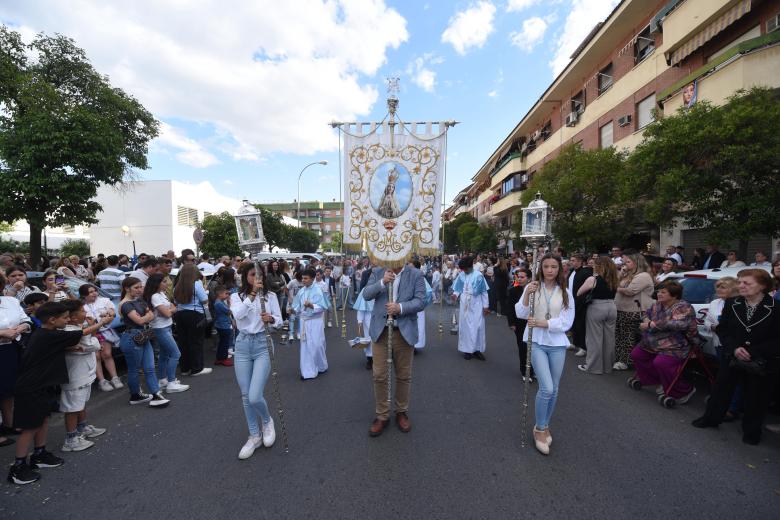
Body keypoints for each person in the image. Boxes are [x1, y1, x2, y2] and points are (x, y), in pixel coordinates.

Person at [692, 269, 780, 445]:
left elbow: (777, 338)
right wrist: (734, 348)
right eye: (740, 282)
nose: (741, 286)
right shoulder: (733, 303)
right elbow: (723, 329)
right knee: (721, 390)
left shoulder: (776, 308)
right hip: (732, 356)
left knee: (756, 397)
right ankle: (711, 418)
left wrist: (753, 351)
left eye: (747, 283)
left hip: (761, 360)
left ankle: (752, 431)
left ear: (762, 286)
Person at [6, 303, 78, 485]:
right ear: (52, 320)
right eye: (65, 317)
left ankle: (39, 453)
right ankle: (18, 467)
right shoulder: (47, 335)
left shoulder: (46, 334)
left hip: (43, 384)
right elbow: (80, 334)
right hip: (31, 387)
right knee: (30, 427)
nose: (68, 320)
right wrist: (102, 321)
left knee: (43, 419)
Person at [515, 253, 575, 455]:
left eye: (554, 267)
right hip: (536, 341)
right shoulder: (532, 287)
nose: (550, 270)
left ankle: (545, 425)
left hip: (557, 343)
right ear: (541, 268)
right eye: (546, 266)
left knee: (555, 389)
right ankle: (539, 429)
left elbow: (567, 321)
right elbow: (521, 314)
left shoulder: (565, 292)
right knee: (547, 388)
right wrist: (526, 294)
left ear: (560, 269)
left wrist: (543, 323)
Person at [362, 260, 426, 437]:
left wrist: (400, 307)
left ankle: (401, 411)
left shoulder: (415, 274)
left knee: (404, 375)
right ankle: (382, 415)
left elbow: (421, 301)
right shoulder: (377, 272)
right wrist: (382, 282)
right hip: (380, 332)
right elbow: (366, 294)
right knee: (379, 375)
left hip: (404, 331)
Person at [229, 263, 282, 459]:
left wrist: (271, 319)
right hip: (243, 344)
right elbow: (237, 315)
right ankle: (254, 435)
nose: (257, 278)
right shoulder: (237, 296)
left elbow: (280, 320)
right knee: (245, 395)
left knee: (254, 395)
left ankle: (267, 421)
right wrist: (252, 294)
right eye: (253, 274)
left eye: (260, 275)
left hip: (262, 344)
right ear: (245, 276)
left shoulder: (271, 296)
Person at [628, 281, 698, 404]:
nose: (659, 294)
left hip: (676, 345)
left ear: (674, 295)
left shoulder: (683, 307)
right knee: (637, 354)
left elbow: (678, 324)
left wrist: (651, 324)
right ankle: (659, 380)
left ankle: (683, 390)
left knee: (661, 363)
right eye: (659, 291)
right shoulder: (657, 304)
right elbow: (645, 314)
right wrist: (646, 320)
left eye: (663, 292)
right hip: (654, 342)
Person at [59, 300, 111, 452]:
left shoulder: (79, 327)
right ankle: (71, 439)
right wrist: (97, 327)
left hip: (84, 372)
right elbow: (92, 345)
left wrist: (93, 331)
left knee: (80, 403)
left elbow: (90, 343)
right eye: (82, 311)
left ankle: (82, 428)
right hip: (75, 375)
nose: (86, 313)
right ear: (72, 317)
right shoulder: (68, 331)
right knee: (72, 407)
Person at [118, 277, 170, 407]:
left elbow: (151, 315)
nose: (140, 289)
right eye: (136, 287)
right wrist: (146, 316)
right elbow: (141, 320)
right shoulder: (125, 304)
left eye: (141, 287)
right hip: (132, 338)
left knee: (150, 367)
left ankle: (156, 394)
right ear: (127, 289)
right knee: (134, 369)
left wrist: (145, 316)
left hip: (143, 335)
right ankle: (135, 395)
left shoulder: (139, 300)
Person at [144, 274, 189, 393]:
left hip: (166, 326)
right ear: (156, 283)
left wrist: (171, 309)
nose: (167, 283)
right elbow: (168, 313)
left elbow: (173, 307)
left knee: (164, 355)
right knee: (176, 353)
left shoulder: (161, 294)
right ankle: (171, 383)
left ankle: (162, 379)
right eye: (164, 282)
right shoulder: (155, 297)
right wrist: (172, 310)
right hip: (160, 328)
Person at [576, 257, 618, 374]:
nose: (593, 266)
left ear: (599, 266)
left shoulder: (593, 279)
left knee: (594, 338)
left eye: (595, 264)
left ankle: (594, 367)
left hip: (597, 306)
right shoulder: (614, 279)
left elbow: (579, 292)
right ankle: (608, 366)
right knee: (609, 338)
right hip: (612, 306)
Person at [0, 295, 31, 449]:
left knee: (9, 387)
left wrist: (20, 328)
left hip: (11, 349)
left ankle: (9, 423)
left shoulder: (11, 301)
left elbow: (26, 320)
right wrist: (2, 333)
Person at [614, 253, 655, 371]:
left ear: (637, 263)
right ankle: (620, 358)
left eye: (628, 262)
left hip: (633, 310)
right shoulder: (628, 274)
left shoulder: (643, 276)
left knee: (628, 336)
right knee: (620, 335)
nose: (625, 264)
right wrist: (621, 273)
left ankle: (626, 361)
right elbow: (614, 282)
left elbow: (630, 291)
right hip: (622, 308)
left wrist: (617, 288)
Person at [78, 285, 122, 392]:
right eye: (90, 292)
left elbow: (112, 313)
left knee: (107, 354)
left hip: (104, 331)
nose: (94, 293)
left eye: (95, 291)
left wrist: (110, 315)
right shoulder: (81, 306)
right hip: (89, 334)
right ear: (84, 295)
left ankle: (115, 378)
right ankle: (102, 381)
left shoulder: (105, 300)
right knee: (96, 357)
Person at [173, 264, 213, 377]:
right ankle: (197, 368)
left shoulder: (177, 285)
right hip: (195, 314)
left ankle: (185, 369)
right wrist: (205, 292)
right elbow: (204, 300)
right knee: (196, 342)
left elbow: (175, 301)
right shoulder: (197, 283)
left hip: (180, 314)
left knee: (183, 342)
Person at [292, 268, 330, 380]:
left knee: (317, 345)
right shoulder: (301, 291)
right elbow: (297, 306)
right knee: (306, 347)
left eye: (306, 278)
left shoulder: (318, 290)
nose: (303, 280)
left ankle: (321, 365)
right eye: (302, 278)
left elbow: (323, 306)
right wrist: (293, 310)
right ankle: (308, 371)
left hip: (315, 321)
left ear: (312, 279)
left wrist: (312, 305)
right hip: (304, 321)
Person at [452, 256, 490, 361]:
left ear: (470, 266)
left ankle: (477, 350)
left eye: (465, 269)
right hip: (464, 303)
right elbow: (458, 288)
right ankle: (467, 350)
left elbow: (484, 292)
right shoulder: (461, 275)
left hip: (476, 304)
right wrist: (455, 295)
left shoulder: (479, 276)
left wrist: (486, 306)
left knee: (478, 327)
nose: (463, 271)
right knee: (465, 327)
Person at [506, 268, 533, 380]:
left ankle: (534, 370)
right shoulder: (513, 291)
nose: (519, 279)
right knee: (523, 347)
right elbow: (510, 308)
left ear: (529, 278)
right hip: (519, 323)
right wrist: (511, 323)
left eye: (522, 277)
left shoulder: (535, 290)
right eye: (518, 277)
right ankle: (525, 371)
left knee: (534, 348)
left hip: (533, 322)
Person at [567, 254, 592, 357]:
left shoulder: (586, 272)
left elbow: (588, 288)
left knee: (581, 325)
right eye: (571, 260)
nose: (571, 262)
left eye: (573, 260)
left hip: (581, 303)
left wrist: (581, 300)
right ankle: (575, 343)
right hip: (571, 301)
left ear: (580, 261)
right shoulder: (572, 272)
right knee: (574, 323)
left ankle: (583, 347)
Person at [352, 277, 374, 370]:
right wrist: (360, 321)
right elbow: (361, 308)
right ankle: (370, 359)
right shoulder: (365, 290)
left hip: (381, 317)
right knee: (369, 338)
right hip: (368, 318)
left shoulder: (383, 287)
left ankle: (381, 358)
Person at [411, 259, 433, 353]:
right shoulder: (406, 277)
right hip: (407, 306)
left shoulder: (421, 278)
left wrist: (422, 303)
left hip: (417, 307)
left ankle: (415, 345)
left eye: (411, 267)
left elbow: (429, 292)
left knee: (418, 325)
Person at [213, 285, 234, 367]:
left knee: (222, 342)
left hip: (222, 324)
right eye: (226, 293)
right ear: (220, 294)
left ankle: (219, 358)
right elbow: (229, 311)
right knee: (225, 343)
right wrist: (229, 303)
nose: (227, 295)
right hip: (223, 325)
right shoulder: (219, 303)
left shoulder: (219, 302)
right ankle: (223, 359)